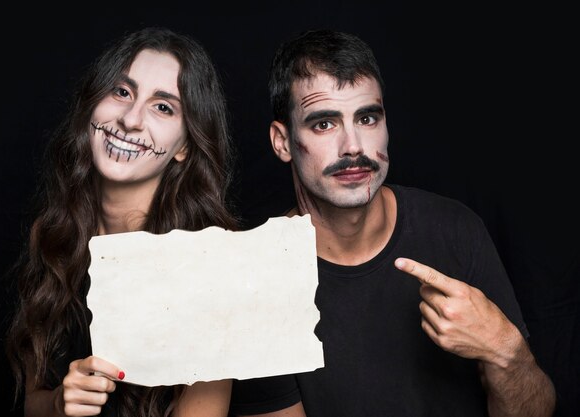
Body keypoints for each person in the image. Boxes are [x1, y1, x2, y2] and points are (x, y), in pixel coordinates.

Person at [228, 29, 556, 417]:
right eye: (324, 124)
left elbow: (535, 410)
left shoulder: (454, 228)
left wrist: (506, 351)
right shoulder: (255, 280)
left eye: (367, 118)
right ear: (282, 141)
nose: (353, 146)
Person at [5, 27, 238, 417]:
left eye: (163, 107)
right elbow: (34, 404)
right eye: (122, 92)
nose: (130, 119)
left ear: (184, 146)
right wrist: (62, 403)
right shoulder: (54, 234)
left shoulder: (210, 266)